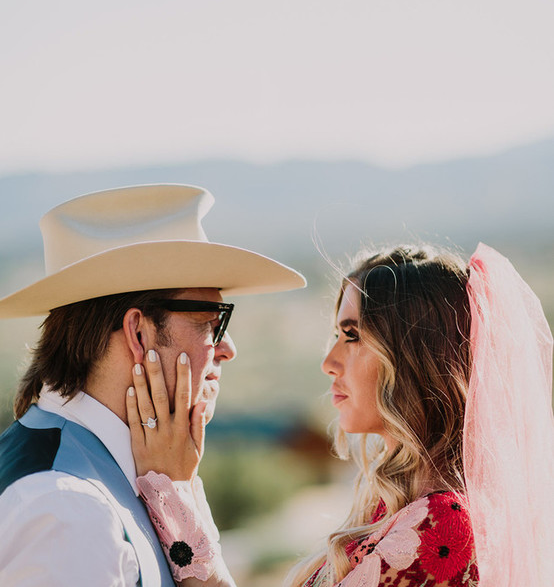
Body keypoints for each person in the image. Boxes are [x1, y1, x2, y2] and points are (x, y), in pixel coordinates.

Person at [127, 242, 554, 587]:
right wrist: (182, 487)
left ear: (414, 357)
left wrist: (174, 493)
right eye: (336, 334)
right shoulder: (393, 507)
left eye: (352, 336)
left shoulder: (442, 526)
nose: (329, 362)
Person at [0, 183, 306, 586]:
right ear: (139, 334)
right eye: (211, 323)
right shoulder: (69, 512)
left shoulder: (86, 473)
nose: (228, 349)